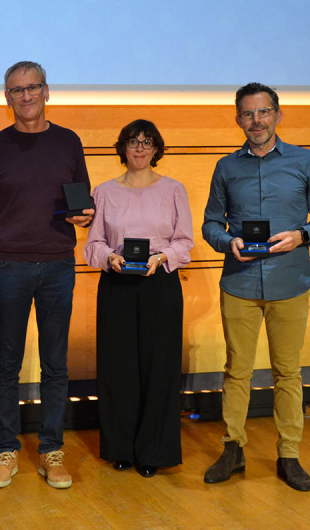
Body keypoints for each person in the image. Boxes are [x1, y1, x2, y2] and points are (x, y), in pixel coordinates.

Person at [202, 82, 310, 492]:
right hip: (240, 282)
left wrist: (303, 235)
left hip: (290, 281)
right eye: (247, 114)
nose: (255, 121)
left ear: (278, 115)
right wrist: (228, 242)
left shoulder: (305, 160)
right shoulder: (227, 167)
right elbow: (211, 222)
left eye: (263, 112)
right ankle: (233, 448)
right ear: (238, 119)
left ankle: (289, 454)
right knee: (236, 371)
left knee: (287, 372)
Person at [0, 61, 94, 490]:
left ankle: (50, 451)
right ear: (7, 98)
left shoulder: (68, 141)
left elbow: (84, 200)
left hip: (59, 264)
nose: (25, 96)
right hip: (7, 266)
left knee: (55, 365)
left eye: (32, 88)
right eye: (15, 91)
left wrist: (84, 217)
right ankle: (7, 450)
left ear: (47, 91)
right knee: (7, 364)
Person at [84, 119, 193, 478]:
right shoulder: (103, 192)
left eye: (147, 142)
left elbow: (184, 242)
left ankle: (153, 451)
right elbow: (93, 244)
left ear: (157, 148)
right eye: (133, 142)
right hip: (117, 285)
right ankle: (121, 447)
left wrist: (161, 258)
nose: (140, 148)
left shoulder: (174, 190)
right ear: (123, 148)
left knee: (158, 368)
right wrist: (109, 258)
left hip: (159, 284)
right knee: (119, 370)